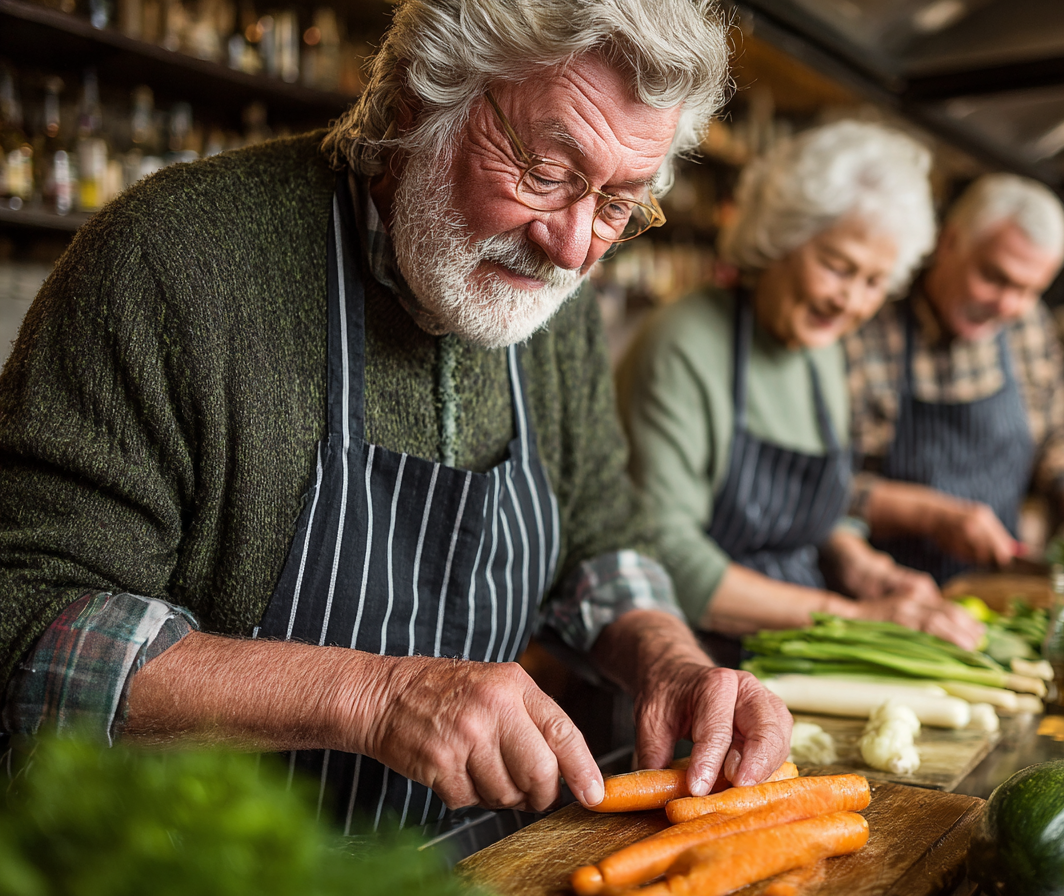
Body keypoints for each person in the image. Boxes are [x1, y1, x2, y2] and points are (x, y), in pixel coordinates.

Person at [0, 0, 792, 845]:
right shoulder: (171, 261)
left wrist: (668, 660)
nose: (572, 249)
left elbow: (600, 540)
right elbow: (31, 625)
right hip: (184, 862)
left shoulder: (558, 308)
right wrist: (377, 699)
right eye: (547, 172)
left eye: (617, 204)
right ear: (419, 104)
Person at [617, 121, 983, 655]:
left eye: (874, 281)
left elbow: (809, 513)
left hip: (798, 652)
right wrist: (858, 617)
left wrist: (860, 564)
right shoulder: (684, 341)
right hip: (688, 660)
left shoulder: (822, 352)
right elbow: (665, 553)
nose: (851, 302)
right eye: (838, 268)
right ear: (780, 238)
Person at [846, 174, 1064, 584]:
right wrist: (930, 516)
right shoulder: (868, 328)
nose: (1008, 305)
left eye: (1029, 290)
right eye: (994, 277)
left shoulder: (1030, 327)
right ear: (949, 242)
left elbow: (1053, 434)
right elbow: (826, 489)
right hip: (883, 589)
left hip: (997, 586)